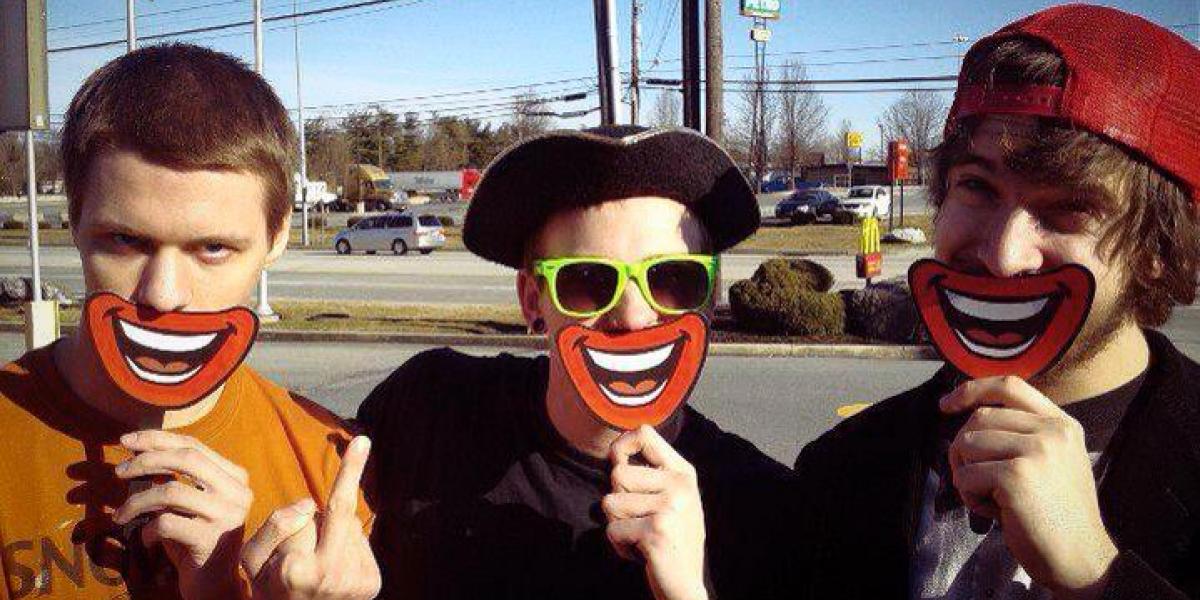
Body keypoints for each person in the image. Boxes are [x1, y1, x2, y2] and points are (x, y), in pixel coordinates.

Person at [790, 5, 1200, 599]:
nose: (1006, 256)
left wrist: (1098, 578)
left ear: (1157, 248)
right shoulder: (842, 470)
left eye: (1068, 209)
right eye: (978, 186)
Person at [0, 43, 375, 599]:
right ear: (74, 217)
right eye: (126, 240)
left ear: (275, 238)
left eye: (214, 248)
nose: (164, 294)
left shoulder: (324, 461)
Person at [356, 125, 795, 599]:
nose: (633, 315)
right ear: (532, 300)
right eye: (587, 280)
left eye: (673, 279)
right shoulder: (427, 408)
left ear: (707, 298)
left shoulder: (763, 508)